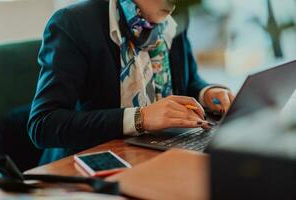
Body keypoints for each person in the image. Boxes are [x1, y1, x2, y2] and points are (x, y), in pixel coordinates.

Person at [28, 0, 234, 165]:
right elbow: (43, 124)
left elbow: (188, 81)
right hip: (89, 169)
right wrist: (140, 117)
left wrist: (206, 93)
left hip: (158, 155)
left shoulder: (175, 16)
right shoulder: (72, 23)